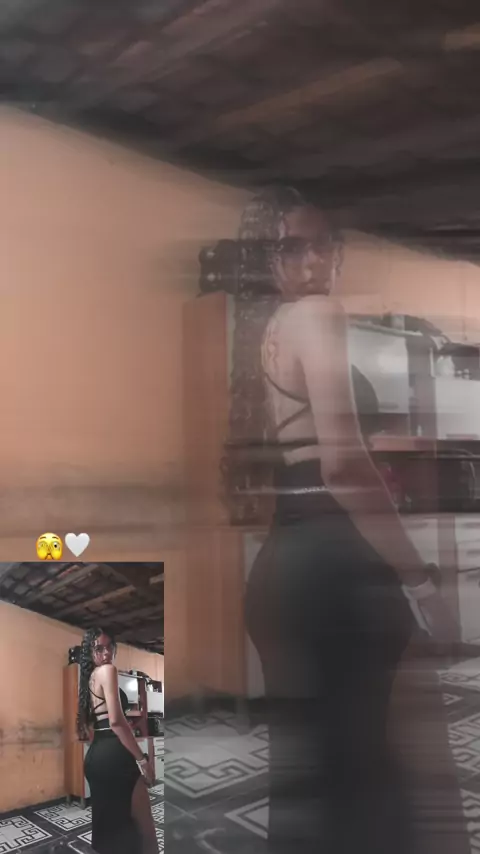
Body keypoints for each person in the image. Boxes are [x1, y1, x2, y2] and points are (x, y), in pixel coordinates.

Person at [223, 187, 469, 854]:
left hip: (283, 571)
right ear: (269, 260)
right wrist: (423, 585)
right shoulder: (316, 314)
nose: (313, 261)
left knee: (313, 785)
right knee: (376, 776)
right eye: (292, 248)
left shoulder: (269, 330)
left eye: (323, 244)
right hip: (335, 566)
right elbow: (342, 467)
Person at [77, 628, 158, 854]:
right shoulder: (108, 670)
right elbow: (116, 721)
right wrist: (143, 761)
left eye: (109, 647)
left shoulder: (89, 679)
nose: (106, 653)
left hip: (95, 758)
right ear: (90, 652)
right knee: (145, 829)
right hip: (115, 756)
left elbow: (92, 726)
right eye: (99, 648)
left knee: (110, 830)